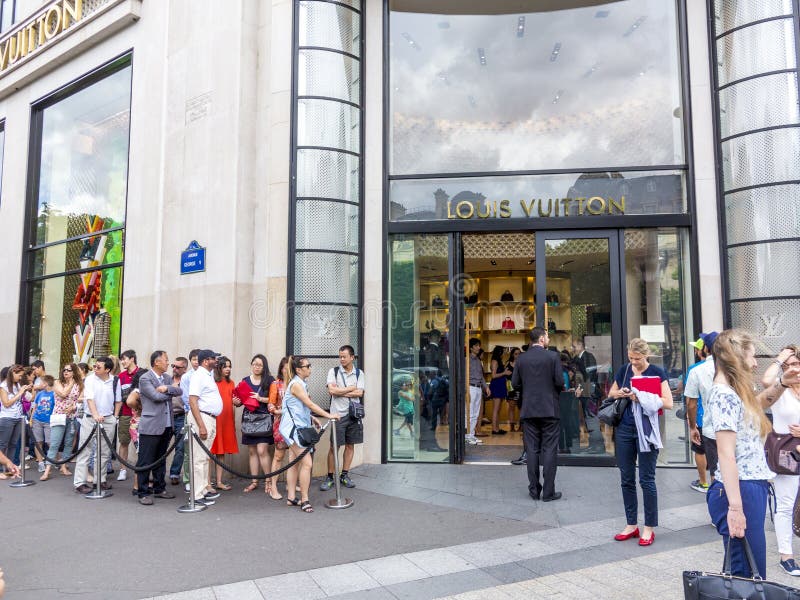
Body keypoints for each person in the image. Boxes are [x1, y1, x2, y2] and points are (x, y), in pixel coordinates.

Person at [706, 330, 800, 579]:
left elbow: (758, 404)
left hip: (749, 487)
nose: (755, 362)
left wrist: (782, 383)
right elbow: (726, 455)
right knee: (746, 574)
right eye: (751, 356)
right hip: (741, 490)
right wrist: (736, 508)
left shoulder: (733, 392)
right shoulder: (724, 394)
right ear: (736, 357)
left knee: (750, 569)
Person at [607, 338, 673, 546]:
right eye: (631, 358)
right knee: (626, 478)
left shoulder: (657, 372)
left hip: (647, 430)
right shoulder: (624, 370)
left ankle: (649, 527)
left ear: (647, 356)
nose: (634, 362)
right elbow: (611, 394)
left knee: (647, 479)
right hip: (625, 429)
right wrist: (623, 393)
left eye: (638, 359)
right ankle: (631, 524)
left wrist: (642, 396)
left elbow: (668, 402)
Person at [278, 356, 338, 513]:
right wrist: (328, 415)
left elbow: (297, 407)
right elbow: (309, 404)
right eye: (308, 366)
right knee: (307, 464)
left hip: (296, 427)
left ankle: (291, 497)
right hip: (294, 430)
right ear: (299, 369)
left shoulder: (299, 384)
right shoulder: (297, 384)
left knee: (294, 462)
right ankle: (304, 499)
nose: (310, 368)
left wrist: (312, 418)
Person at [761, 345, 800, 575]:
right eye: (789, 365)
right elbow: (766, 381)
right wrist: (780, 359)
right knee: (785, 504)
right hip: (787, 454)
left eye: (797, 363)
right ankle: (787, 555)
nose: (794, 368)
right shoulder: (779, 391)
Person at [512, 327, 563, 501]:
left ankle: (534, 490)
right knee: (549, 449)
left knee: (532, 450)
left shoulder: (521, 358)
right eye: (547, 336)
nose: (548, 339)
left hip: (529, 409)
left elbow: (515, 383)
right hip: (550, 409)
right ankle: (548, 492)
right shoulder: (553, 356)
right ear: (541, 339)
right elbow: (559, 382)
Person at [135, 351, 183, 505]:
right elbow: (155, 397)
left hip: (167, 424)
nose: (168, 363)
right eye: (166, 360)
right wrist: (170, 390)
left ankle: (159, 488)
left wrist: (166, 389)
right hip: (150, 425)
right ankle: (142, 492)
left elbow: (180, 391)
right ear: (156, 362)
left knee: (161, 459)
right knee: (145, 460)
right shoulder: (145, 378)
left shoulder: (167, 378)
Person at [73, 357, 121, 494]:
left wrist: (115, 417)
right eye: (94, 366)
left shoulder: (115, 380)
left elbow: (118, 401)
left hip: (108, 418)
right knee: (85, 449)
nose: (95, 368)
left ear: (108, 369)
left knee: (105, 451)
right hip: (90, 418)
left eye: (98, 367)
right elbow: (89, 398)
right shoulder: (90, 379)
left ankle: (100, 480)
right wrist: (95, 415)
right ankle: (80, 482)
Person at [321, 345, 364, 491]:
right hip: (337, 416)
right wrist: (351, 389)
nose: (342, 359)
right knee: (334, 447)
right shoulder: (333, 372)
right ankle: (329, 477)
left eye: (344, 356)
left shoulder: (359, 373)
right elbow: (332, 390)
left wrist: (342, 392)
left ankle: (344, 475)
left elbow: (360, 393)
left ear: (352, 357)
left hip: (353, 415)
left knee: (350, 446)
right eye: (340, 356)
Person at [234, 354, 275, 494]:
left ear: (264, 367)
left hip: (264, 419)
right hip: (249, 419)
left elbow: (275, 399)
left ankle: (268, 481)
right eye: (255, 364)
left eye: (260, 365)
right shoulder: (245, 381)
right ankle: (254, 481)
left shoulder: (270, 380)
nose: (257, 367)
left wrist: (260, 398)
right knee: (252, 451)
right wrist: (237, 402)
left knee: (262, 450)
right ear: (251, 364)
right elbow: (240, 401)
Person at [187, 349, 223, 506]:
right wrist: (201, 425)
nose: (216, 360)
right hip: (202, 418)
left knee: (204, 457)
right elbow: (192, 400)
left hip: (210, 418)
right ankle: (196, 495)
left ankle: (202, 490)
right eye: (213, 358)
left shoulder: (208, 375)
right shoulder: (198, 375)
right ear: (205, 361)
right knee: (198, 458)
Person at [685, 333, 718, 494]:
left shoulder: (697, 370)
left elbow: (690, 402)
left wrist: (692, 426)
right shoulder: (735, 367)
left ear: (705, 349)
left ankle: (708, 486)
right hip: (733, 427)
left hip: (707, 424)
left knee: (706, 456)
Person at [42, 363, 82, 480]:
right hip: (59, 416)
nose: (66, 372)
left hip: (72, 417)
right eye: (64, 370)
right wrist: (72, 383)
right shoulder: (57, 382)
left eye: (69, 370)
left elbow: (81, 399)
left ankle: (64, 466)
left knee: (69, 443)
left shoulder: (79, 385)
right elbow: (63, 394)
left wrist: (74, 406)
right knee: (54, 443)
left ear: (74, 372)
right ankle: (47, 470)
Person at [210, 356, 238, 491]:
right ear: (218, 367)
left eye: (229, 366)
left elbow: (233, 401)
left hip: (226, 420)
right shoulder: (212, 382)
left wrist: (237, 402)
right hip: (214, 419)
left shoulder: (231, 383)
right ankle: (208, 482)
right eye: (225, 366)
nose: (228, 369)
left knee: (221, 452)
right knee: (210, 451)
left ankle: (219, 481)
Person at [0, 365, 32, 479]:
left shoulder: (17, 385)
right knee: (3, 444)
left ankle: (10, 468)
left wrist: (26, 390)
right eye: (19, 375)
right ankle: (0, 470)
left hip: (18, 418)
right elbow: (6, 403)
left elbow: (28, 399)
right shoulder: (3, 386)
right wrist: (19, 393)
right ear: (13, 373)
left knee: (13, 444)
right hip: (7, 418)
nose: (20, 377)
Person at [116, 350, 143, 482]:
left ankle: (142, 470)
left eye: (124, 359)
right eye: (121, 360)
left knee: (141, 445)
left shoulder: (142, 373)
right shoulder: (121, 376)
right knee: (123, 442)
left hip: (140, 416)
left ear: (132, 359)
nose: (122, 362)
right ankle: (122, 469)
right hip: (125, 415)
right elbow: (119, 398)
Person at [266, 356, 289, 500]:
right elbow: (270, 404)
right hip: (280, 422)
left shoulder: (297, 383)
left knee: (295, 455)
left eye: (289, 366)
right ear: (281, 368)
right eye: (284, 366)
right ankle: (273, 487)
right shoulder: (276, 384)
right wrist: (277, 411)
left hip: (295, 423)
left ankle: (290, 483)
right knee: (279, 455)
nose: (286, 369)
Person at [179, 349, 200, 491]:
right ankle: (187, 478)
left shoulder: (208, 374)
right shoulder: (186, 377)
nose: (196, 362)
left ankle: (200, 481)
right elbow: (186, 397)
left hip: (205, 414)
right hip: (190, 414)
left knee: (202, 451)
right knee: (188, 449)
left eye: (198, 359)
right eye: (193, 359)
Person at [168, 357, 188, 485]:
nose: (174, 369)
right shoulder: (166, 380)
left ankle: (174, 473)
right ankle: (156, 474)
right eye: (173, 366)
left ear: (185, 369)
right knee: (161, 446)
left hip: (181, 416)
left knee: (180, 447)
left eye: (177, 367)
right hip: (167, 416)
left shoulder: (187, 381)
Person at [466, 338, 489, 446]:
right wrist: (466, 390)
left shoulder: (478, 361)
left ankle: (471, 435)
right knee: (469, 412)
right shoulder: (467, 360)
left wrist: (486, 387)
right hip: (470, 387)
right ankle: (467, 436)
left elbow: (481, 376)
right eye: (476, 346)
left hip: (479, 388)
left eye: (479, 345)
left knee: (475, 413)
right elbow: (463, 376)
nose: (478, 347)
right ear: (471, 348)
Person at [30, 375, 55, 473]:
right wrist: (31, 419)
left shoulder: (54, 394)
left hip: (49, 421)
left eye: (41, 382)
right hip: (37, 420)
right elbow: (35, 407)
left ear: (46, 383)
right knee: (38, 442)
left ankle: (55, 460)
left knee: (50, 442)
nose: (39, 384)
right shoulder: (39, 394)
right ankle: (41, 463)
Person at [488, 346, 510, 435]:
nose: (504, 353)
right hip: (496, 385)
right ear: (499, 352)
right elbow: (493, 375)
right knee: (495, 409)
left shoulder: (499, 361)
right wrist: (504, 373)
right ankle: (494, 429)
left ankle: (497, 428)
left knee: (498, 409)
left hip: (500, 385)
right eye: (503, 351)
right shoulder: (494, 361)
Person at [506, 347, 521, 432]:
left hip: (520, 387)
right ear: (512, 354)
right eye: (516, 354)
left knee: (520, 408)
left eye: (519, 354)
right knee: (511, 408)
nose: (518, 355)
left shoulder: (522, 363)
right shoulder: (508, 363)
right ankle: (512, 427)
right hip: (510, 388)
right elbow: (505, 375)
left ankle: (520, 426)